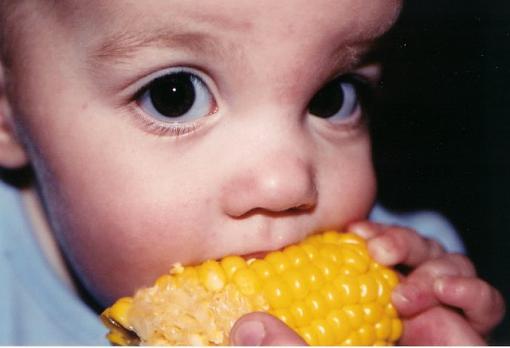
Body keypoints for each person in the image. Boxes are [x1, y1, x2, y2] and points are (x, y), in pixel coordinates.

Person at [0, 0, 504, 345]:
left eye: (334, 96)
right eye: (174, 96)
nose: (287, 184)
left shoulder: (417, 279)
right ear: (8, 117)